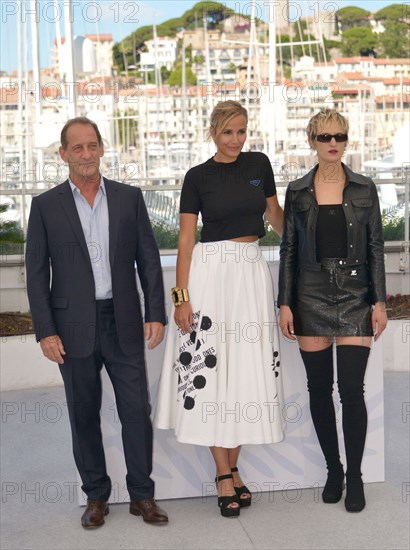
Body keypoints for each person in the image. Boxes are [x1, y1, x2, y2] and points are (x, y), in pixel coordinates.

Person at [25, 117, 169, 528]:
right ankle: (96, 497)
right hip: (71, 328)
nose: (86, 154)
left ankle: (143, 495)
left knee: (135, 411)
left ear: (102, 148)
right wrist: (46, 330)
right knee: (83, 413)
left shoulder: (128, 198)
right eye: (77, 148)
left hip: (122, 320)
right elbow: (36, 275)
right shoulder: (46, 206)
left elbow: (149, 262)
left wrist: (154, 313)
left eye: (92, 146)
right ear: (63, 154)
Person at [154, 100, 285, 517]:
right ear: (213, 132)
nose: (236, 139)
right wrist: (181, 298)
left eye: (242, 131)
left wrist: (308, 230)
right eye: (228, 132)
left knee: (246, 371)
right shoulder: (196, 177)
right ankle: (223, 473)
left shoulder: (259, 164)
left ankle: (234, 467)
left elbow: (276, 216)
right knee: (210, 374)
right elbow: (186, 243)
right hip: (209, 278)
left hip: (250, 272)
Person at [278, 108, 388, 513]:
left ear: (346, 140)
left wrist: (379, 301)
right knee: (319, 390)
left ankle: (355, 476)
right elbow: (288, 248)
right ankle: (333, 470)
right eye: (324, 137)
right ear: (312, 141)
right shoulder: (297, 191)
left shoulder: (364, 187)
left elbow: (376, 246)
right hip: (309, 293)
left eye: (339, 136)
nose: (332, 143)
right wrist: (285, 303)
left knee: (353, 391)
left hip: (357, 292)